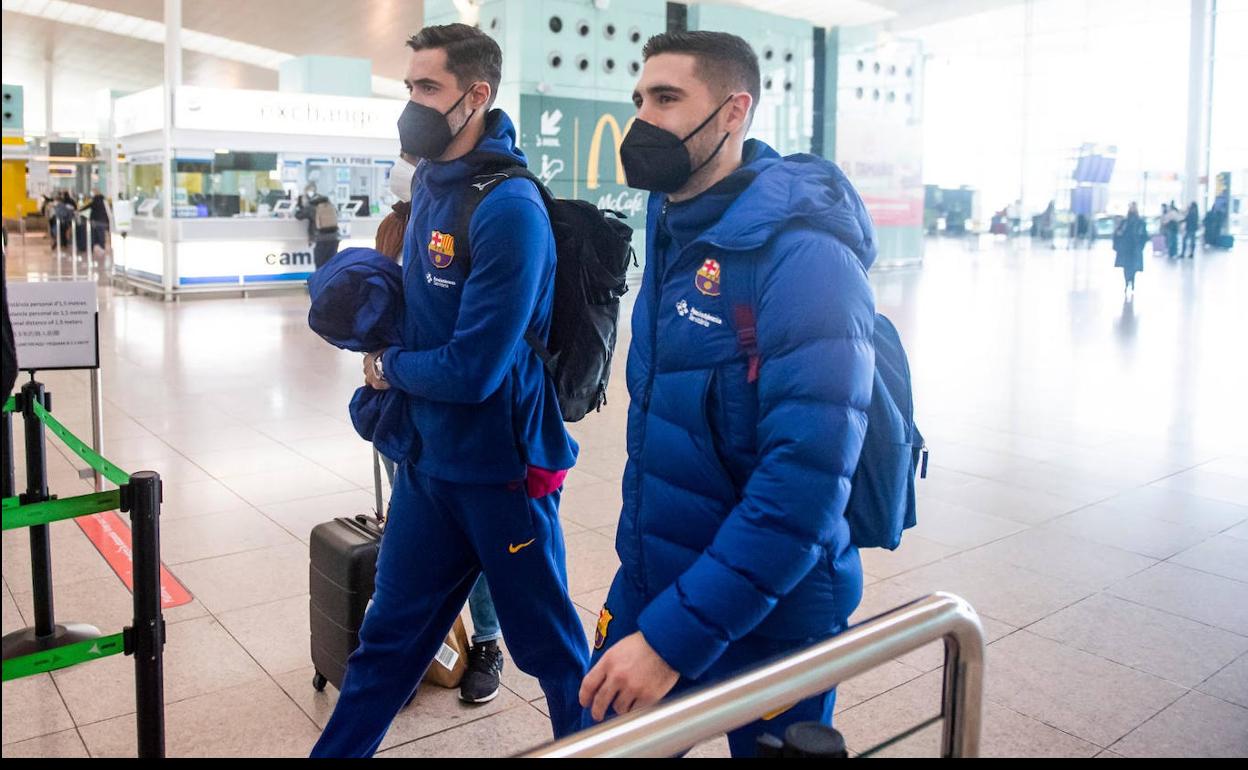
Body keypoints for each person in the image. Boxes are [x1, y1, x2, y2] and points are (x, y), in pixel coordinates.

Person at [578, 31, 874, 758]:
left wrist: (673, 641)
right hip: (658, 572)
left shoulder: (807, 258)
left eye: (668, 99)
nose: (644, 119)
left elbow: (802, 489)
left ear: (734, 111)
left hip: (775, 610)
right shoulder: (675, 225)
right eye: (640, 99)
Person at [310, 23, 587, 757]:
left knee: (554, 655)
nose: (413, 105)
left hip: (502, 472)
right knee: (385, 645)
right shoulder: (431, 184)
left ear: (477, 94)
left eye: (427, 89)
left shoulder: (509, 209)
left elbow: (474, 369)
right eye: (409, 89)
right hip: (428, 466)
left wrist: (387, 368)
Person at [373, 151, 508, 705]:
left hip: (463, 412)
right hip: (402, 408)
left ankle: (488, 640)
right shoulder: (394, 229)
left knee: (479, 542)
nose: (409, 164)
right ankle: (414, 647)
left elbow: (476, 346)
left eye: (417, 158)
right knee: (413, 540)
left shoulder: (478, 215)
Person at [295, 183, 340, 269]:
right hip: (334, 238)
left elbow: (298, 216)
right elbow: (337, 214)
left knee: (320, 264)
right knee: (331, 264)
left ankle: (320, 281)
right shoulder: (329, 204)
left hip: (322, 239)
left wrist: (300, 205)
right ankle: (331, 281)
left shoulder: (312, 206)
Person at [1114, 203, 1147, 296]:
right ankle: (1128, 282)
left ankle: (1131, 281)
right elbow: (1118, 233)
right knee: (1128, 266)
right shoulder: (1127, 222)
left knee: (1131, 266)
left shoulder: (1136, 222)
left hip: (1132, 248)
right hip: (1128, 248)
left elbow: (1144, 236)